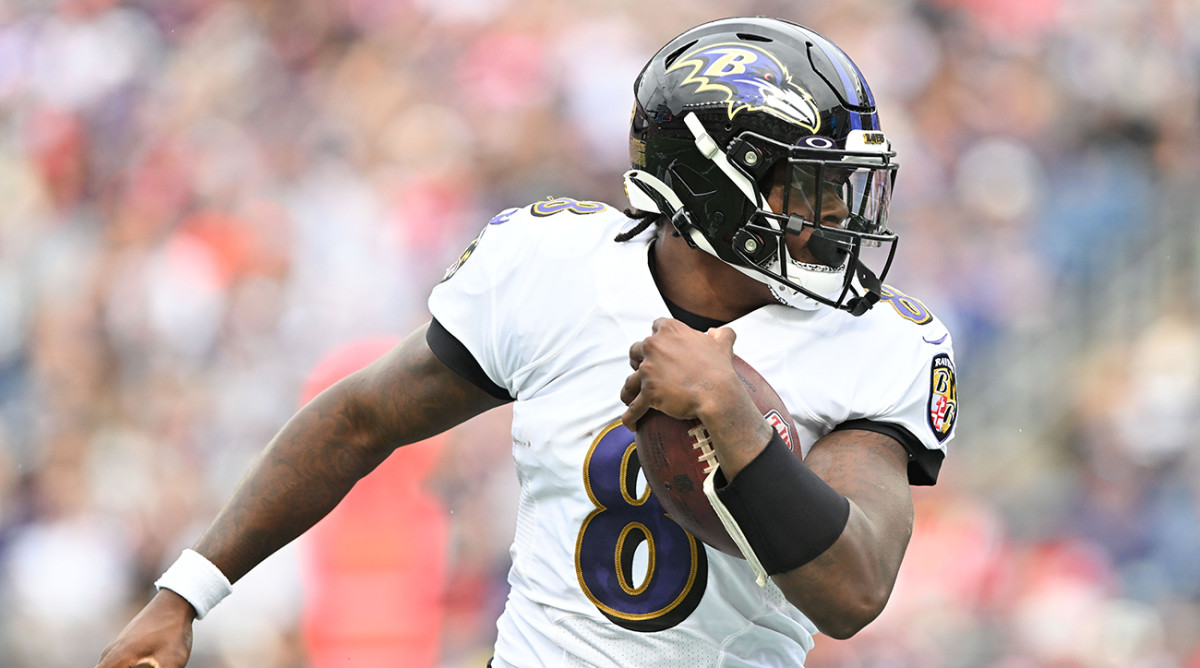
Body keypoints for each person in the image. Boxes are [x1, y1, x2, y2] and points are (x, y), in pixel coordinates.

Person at [97, 16, 957, 668]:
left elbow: (854, 588)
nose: (838, 217)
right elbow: (358, 420)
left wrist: (729, 414)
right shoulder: (553, 268)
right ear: (713, 185)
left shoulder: (875, 344)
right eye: (809, 187)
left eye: (845, 188)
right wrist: (187, 593)